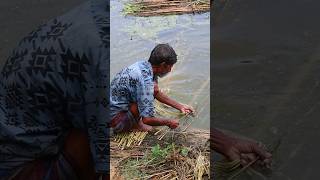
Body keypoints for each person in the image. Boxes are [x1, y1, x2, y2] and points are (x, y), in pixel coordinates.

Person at [0, 0, 110, 179]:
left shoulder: (99, 10)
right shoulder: (102, 49)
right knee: (101, 125)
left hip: (18, 134)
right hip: (20, 166)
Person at [110, 44, 194, 133]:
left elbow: (156, 92)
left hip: (111, 109)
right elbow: (147, 119)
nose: (170, 70)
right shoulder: (146, 83)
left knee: (147, 94)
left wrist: (180, 106)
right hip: (115, 122)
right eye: (170, 66)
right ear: (163, 65)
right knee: (144, 103)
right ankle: (135, 125)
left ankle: (133, 121)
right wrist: (168, 122)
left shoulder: (143, 66)